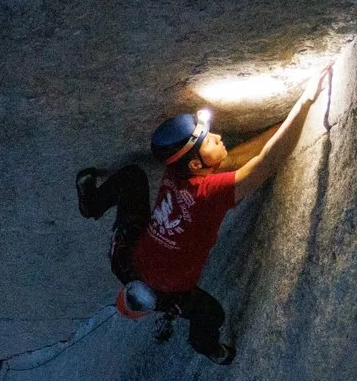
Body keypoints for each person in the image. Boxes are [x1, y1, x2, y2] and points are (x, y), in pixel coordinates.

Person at [76, 81, 317, 362]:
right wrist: (305, 104)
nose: (218, 135)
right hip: (168, 291)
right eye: (211, 139)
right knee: (211, 314)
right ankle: (208, 347)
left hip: (129, 257)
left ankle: (91, 203)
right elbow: (265, 162)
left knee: (131, 177)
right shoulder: (210, 193)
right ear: (195, 164)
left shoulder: (178, 171)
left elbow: (237, 158)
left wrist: (284, 123)